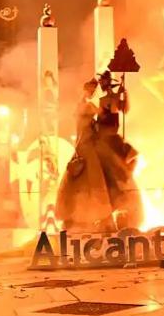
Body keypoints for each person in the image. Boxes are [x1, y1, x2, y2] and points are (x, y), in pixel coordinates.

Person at [56, 79, 114, 232]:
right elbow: (103, 113)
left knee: (88, 182)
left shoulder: (82, 105)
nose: (93, 92)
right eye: (92, 89)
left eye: (94, 89)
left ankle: (90, 218)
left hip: (85, 146)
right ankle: (96, 218)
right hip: (86, 147)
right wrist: (109, 94)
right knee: (94, 181)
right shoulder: (86, 106)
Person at [93, 71, 143, 229]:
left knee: (129, 158)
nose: (104, 86)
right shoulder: (102, 101)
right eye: (103, 84)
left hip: (112, 140)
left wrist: (124, 95)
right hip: (103, 141)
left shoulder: (113, 99)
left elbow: (123, 109)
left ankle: (125, 174)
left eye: (106, 83)